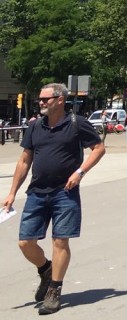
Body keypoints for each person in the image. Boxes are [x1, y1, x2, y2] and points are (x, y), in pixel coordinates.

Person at [2, 82, 106, 314]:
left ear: (60, 100)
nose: (40, 102)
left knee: (60, 241)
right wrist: (11, 192)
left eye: (45, 99)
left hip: (64, 192)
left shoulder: (76, 124)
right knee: (25, 242)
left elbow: (99, 148)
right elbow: (24, 160)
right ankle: (46, 269)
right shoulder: (35, 126)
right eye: (40, 99)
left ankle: (54, 290)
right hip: (37, 192)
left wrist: (80, 173)